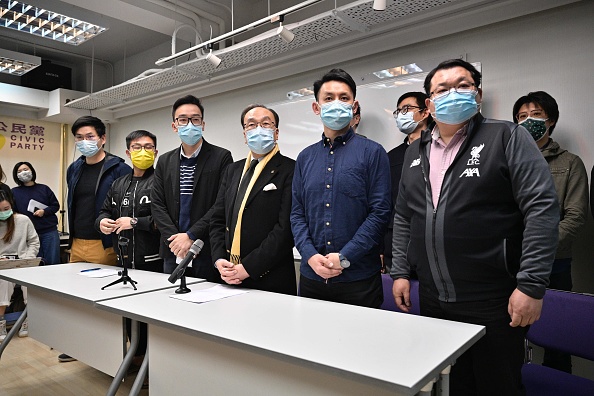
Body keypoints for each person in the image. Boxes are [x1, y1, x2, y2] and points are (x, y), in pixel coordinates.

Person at [390, 59, 559, 395]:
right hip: (434, 298)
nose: (453, 93)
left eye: (462, 85)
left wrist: (531, 285)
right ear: (429, 103)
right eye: (442, 89)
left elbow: (542, 208)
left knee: (498, 386)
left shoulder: (507, 137)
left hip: (494, 300)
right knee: (453, 385)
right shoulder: (415, 153)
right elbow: (403, 217)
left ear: (477, 93)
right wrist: (399, 271)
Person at [291, 68, 391, 308]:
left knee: (361, 344)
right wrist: (310, 255)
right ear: (317, 107)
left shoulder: (373, 153)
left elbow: (380, 213)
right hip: (311, 276)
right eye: (328, 98)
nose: (337, 103)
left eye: (344, 98)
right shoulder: (305, 158)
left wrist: (345, 257)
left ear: (354, 106)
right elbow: (297, 214)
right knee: (308, 343)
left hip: (359, 280)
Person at [513, 91, 588, 373]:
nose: (528, 121)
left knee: (557, 341)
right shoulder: (510, 159)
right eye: (521, 117)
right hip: (511, 264)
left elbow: (576, 217)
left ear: (551, 120)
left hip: (554, 263)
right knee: (511, 335)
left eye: (535, 115)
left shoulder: (570, 163)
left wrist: (537, 250)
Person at [63, 115, 131, 363]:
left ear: (102, 138)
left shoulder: (119, 168)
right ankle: (80, 345)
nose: (84, 142)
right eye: (79, 138)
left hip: (103, 244)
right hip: (76, 243)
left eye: (90, 136)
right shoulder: (75, 168)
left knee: (102, 301)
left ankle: (111, 352)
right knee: (76, 300)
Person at [210, 104, 296, 295]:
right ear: (244, 134)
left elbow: (285, 230)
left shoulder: (291, 169)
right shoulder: (232, 171)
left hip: (270, 280)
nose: (258, 129)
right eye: (251, 125)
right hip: (228, 276)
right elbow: (217, 219)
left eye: (265, 124)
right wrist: (218, 259)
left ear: (276, 133)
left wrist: (247, 268)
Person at [96, 130, 162, 370]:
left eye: (148, 147)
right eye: (136, 147)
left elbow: (165, 221)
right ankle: (134, 357)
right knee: (127, 314)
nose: (142, 151)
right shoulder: (118, 183)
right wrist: (102, 222)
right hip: (123, 260)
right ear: (128, 152)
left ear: (155, 151)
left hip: (153, 262)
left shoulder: (161, 181)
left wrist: (135, 222)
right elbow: (104, 211)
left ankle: (152, 364)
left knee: (151, 314)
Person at [152, 95, 233, 282]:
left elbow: (221, 204)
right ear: (174, 126)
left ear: (202, 124)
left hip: (207, 249)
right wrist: (177, 240)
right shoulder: (164, 161)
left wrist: (191, 235)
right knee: (170, 304)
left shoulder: (221, 157)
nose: (189, 124)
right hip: (172, 250)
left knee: (207, 304)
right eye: (183, 120)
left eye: (195, 119)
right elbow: (157, 204)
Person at [383, 92, 432, 272]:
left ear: (425, 112)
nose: (401, 114)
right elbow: (385, 203)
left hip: (430, 243)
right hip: (395, 247)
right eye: (398, 111)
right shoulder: (392, 156)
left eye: (407, 109)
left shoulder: (439, 149)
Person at [0, 190, 40, 342]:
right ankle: (1, 320)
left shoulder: (23, 220)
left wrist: (27, 259)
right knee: (3, 281)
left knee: (31, 280)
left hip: (23, 263)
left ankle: (29, 318)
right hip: (2, 266)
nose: (3, 213)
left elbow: (34, 242)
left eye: (6, 209)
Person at [11, 162, 61, 265]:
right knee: (34, 264)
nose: (23, 173)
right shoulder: (14, 192)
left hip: (49, 232)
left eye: (25, 169)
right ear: (16, 176)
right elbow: (13, 212)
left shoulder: (44, 189)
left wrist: (44, 211)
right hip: (28, 234)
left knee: (53, 262)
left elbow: (55, 206)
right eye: (19, 171)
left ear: (31, 171)